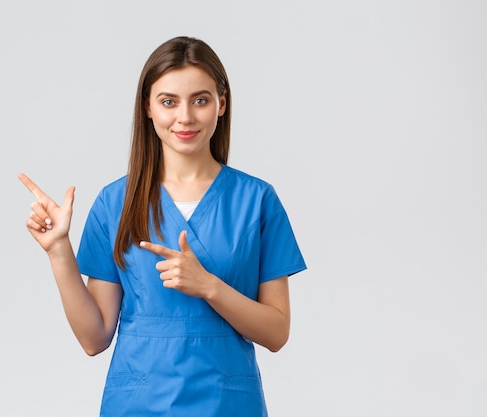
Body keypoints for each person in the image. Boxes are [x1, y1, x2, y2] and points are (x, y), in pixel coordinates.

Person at [18, 35, 306, 417]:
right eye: (169, 101)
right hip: (138, 405)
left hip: (227, 404)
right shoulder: (115, 202)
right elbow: (93, 338)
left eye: (200, 100)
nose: (184, 117)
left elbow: (277, 333)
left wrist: (210, 287)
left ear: (221, 103)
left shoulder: (257, 201)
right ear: (148, 108)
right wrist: (58, 251)